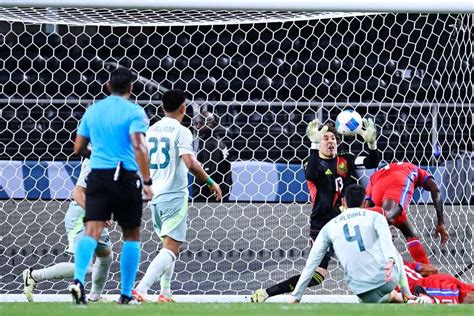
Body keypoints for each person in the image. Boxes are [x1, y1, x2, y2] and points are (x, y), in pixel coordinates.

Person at [252, 118, 379, 302]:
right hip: (322, 226)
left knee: (365, 259)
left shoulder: (345, 159)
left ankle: (384, 294)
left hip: (345, 224)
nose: (330, 142)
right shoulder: (313, 162)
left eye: (333, 139)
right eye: (325, 138)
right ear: (319, 143)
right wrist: (313, 144)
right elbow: (311, 174)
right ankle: (266, 293)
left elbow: (370, 162)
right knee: (316, 276)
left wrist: (372, 144)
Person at [71, 68, 153, 305]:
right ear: (131, 88)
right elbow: (139, 146)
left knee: (91, 230)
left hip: (98, 176)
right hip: (125, 176)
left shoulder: (93, 110)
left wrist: (97, 156)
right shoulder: (135, 111)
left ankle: (78, 281)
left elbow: (78, 148)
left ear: (108, 86)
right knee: (131, 234)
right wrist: (146, 182)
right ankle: (126, 295)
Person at [132, 89, 222, 302]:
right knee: (172, 248)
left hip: (154, 194)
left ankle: (165, 292)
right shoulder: (182, 131)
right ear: (184, 109)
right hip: (174, 194)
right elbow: (190, 162)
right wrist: (210, 181)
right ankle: (141, 289)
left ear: (162, 107)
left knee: (169, 246)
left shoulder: (150, 129)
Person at [290, 184, 421, 304]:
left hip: (360, 289)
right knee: (392, 250)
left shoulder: (328, 227)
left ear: (343, 202)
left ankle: (390, 297)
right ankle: (407, 295)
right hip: (387, 280)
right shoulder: (376, 217)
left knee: (372, 296)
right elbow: (387, 242)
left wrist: (296, 296)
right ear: (364, 203)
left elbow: (312, 263)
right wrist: (390, 260)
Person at [22, 158, 112, 303]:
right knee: (86, 266)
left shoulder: (113, 156)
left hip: (96, 216)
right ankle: (34, 275)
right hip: (80, 217)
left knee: (105, 255)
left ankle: (95, 296)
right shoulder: (94, 159)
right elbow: (77, 193)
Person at [364, 162, 449, 264]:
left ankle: (428, 274)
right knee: (389, 215)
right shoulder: (416, 170)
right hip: (399, 180)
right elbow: (435, 189)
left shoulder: (376, 175)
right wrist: (441, 223)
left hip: (375, 185)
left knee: (411, 233)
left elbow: (367, 209)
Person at [192, 110, 232, 201]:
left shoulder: (211, 145)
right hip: (219, 193)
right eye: (196, 123)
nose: (197, 127)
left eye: (201, 123)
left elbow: (208, 174)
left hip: (210, 197)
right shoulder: (214, 141)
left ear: (212, 125)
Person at [401, 261, 474, 304]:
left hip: (427, 286)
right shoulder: (403, 262)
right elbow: (433, 270)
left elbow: (394, 296)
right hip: (443, 278)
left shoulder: (391, 274)